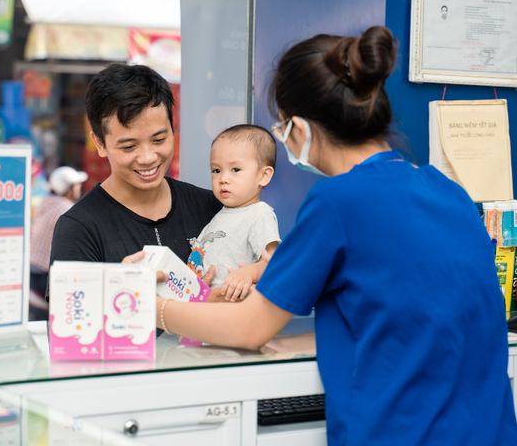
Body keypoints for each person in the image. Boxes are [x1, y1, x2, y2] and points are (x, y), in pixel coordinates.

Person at [150, 26, 517, 445]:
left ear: (300, 131)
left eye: (283, 128)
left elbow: (248, 327)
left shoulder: (338, 201)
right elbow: (411, 323)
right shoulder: (448, 192)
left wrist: (154, 308)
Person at [47, 64, 223, 301]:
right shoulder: (79, 228)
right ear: (99, 143)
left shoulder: (211, 207)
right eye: (129, 146)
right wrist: (118, 291)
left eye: (159, 139)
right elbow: (66, 329)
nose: (148, 158)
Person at [187, 124, 280, 301]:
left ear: (264, 176)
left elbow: (273, 264)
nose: (223, 179)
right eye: (216, 170)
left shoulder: (260, 214)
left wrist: (248, 274)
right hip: (204, 306)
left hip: (233, 306)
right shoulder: (220, 215)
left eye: (235, 170)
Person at [30, 166, 87, 320]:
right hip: (44, 274)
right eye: (76, 185)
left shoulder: (48, 203)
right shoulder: (64, 209)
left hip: (34, 269)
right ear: (68, 188)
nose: (79, 189)